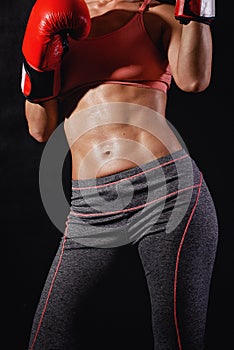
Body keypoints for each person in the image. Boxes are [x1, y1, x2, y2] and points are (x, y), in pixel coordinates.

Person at [21, 0, 218, 349]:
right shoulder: (59, 24)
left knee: (177, 342)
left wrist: (198, 6)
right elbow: (40, 128)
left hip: (166, 190)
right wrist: (39, 56)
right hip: (91, 208)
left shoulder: (154, 15)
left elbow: (194, 80)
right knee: (47, 339)